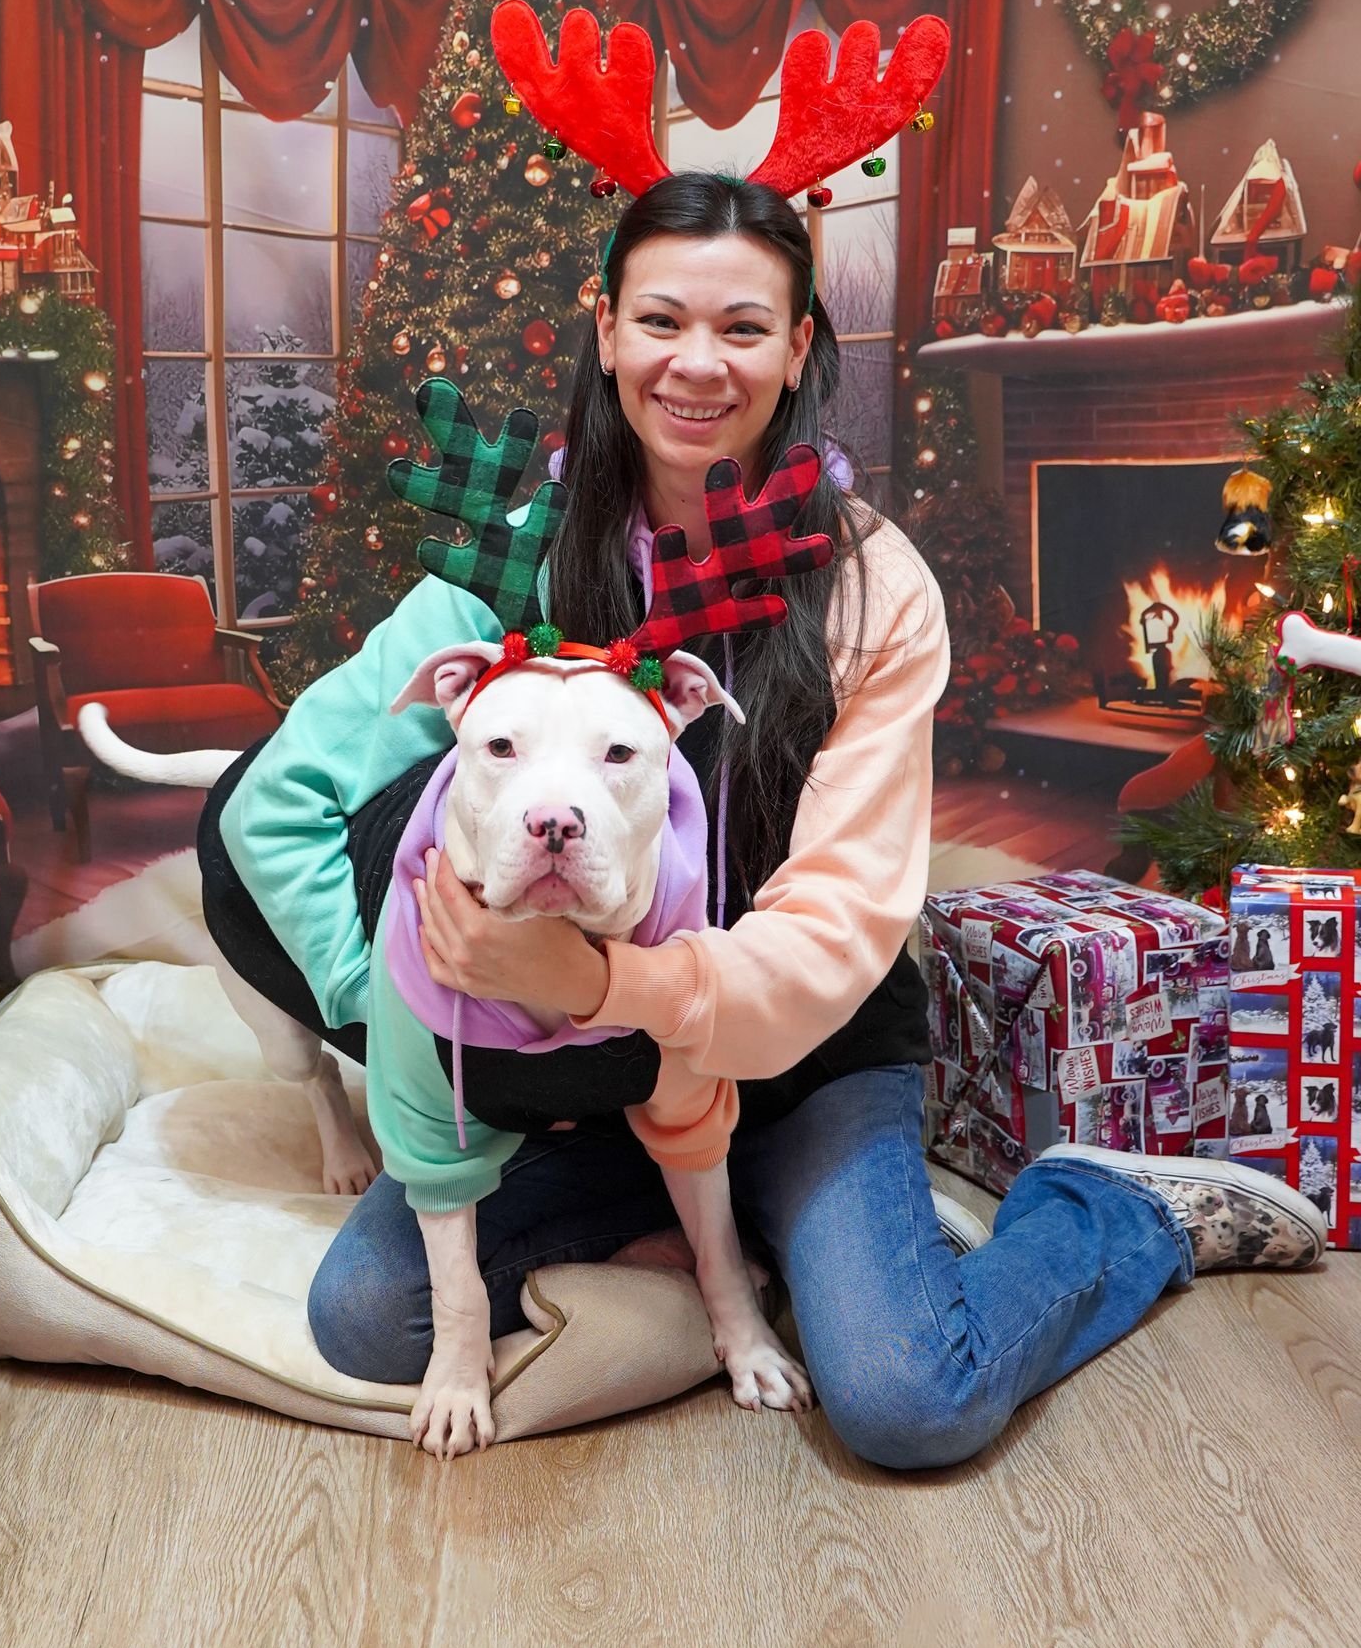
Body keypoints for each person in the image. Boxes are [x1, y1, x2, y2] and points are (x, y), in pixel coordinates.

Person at [203, 171, 1327, 1473]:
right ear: (608, 331)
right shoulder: (510, 569)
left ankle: (1109, 1213)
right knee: (369, 1315)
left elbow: (836, 929)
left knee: (909, 1396)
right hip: (578, 1076)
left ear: (798, 349)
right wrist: (401, 994)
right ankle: (734, 1235)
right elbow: (276, 799)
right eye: (661, 320)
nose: (699, 363)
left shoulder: (872, 589)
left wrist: (602, 982)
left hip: (802, 1051)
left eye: (743, 327)